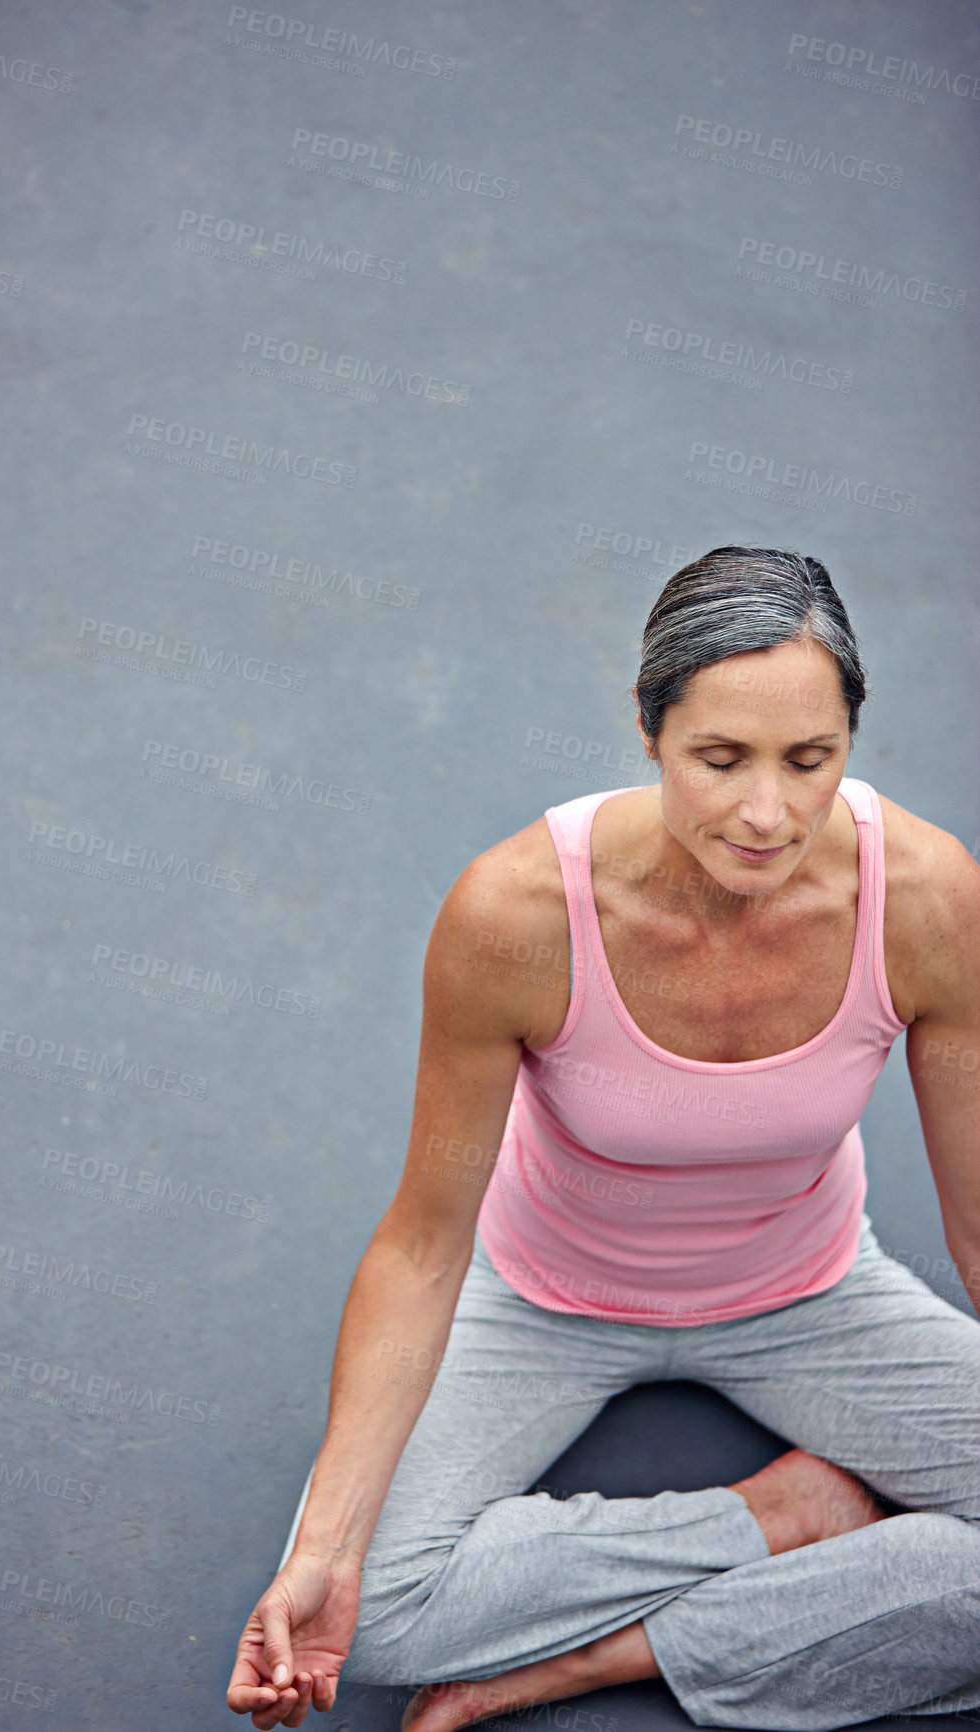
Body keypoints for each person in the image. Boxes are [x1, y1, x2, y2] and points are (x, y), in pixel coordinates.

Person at [227, 547, 980, 1732]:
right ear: (646, 727)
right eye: (718, 760)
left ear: (850, 738)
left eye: (810, 761)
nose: (765, 813)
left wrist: (601, 1644)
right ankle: (775, 1522)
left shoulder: (927, 897)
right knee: (362, 1620)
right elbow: (425, 1244)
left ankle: (605, 1654)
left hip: (811, 1293)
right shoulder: (513, 914)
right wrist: (322, 1544)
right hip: (545, 1297)